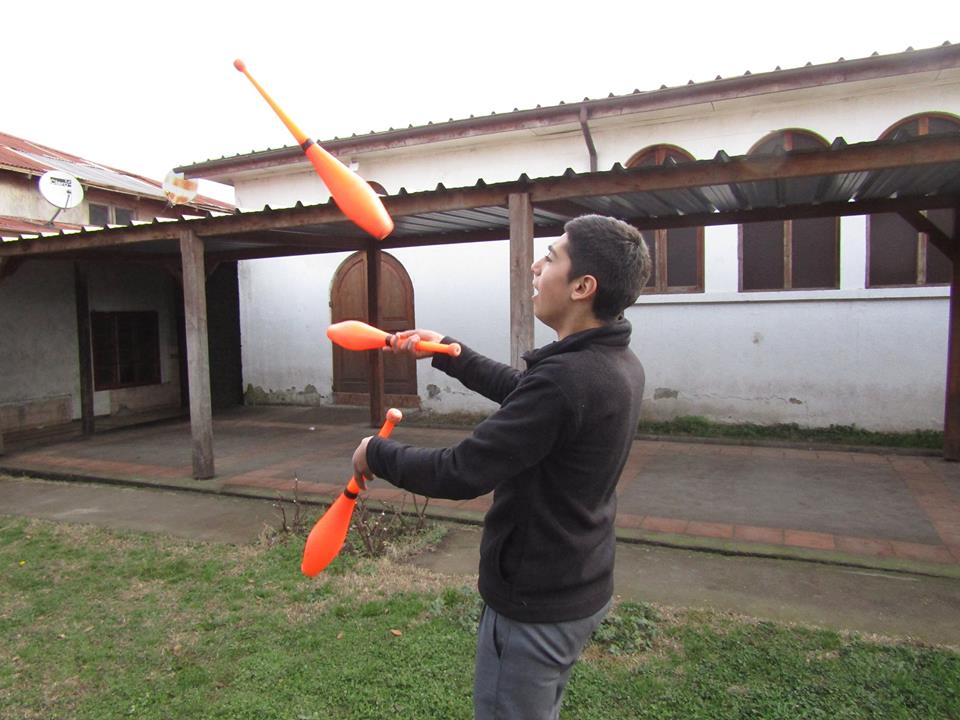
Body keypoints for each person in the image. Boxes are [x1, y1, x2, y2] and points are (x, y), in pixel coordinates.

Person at [352, 214, 651, 719]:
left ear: (582, 287)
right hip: (579, 583)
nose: (535, 266)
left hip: (535, 605)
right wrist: (450, 352)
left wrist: (374, 453)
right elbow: (527, 392)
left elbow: (460, 470)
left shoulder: (567, 379)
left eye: (550, 258)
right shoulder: (614, 363)